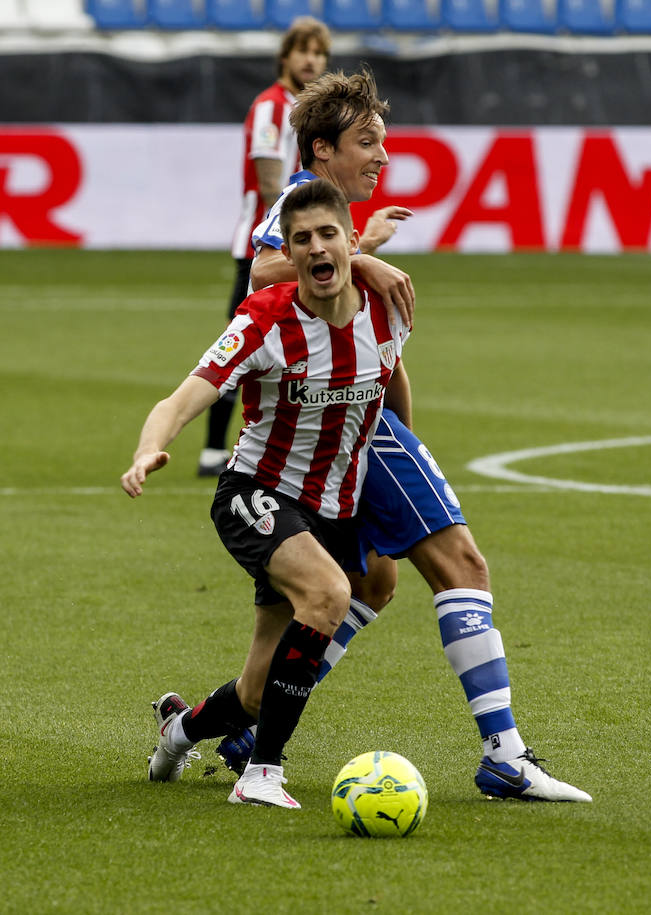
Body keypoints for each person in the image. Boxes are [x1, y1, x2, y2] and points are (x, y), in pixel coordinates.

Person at [213, 70, 590, 802]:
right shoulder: (301, 203)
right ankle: (504, 755)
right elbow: (262, 268)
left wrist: (409, 440)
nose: (382, 156)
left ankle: (219, 728)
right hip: (335, 429)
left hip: (358, 427)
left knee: (372, 585)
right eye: (367, 142)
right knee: (463, 563)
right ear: (322, 151)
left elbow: (388, 360)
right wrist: (362, 253)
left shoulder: (332, 222)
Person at [123, 178, 409, 809]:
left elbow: (391, 384)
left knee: (256, 692)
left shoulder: (387, 308)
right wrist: (149, 448)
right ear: (289, 251)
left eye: (328, 235)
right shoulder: (264, 319)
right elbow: (184, 396)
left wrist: (407, 457)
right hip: (257, 492)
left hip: (335, 508)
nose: (315, 249)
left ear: (352, 242)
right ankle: (262, 774)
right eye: (300, 239)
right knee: (330, 594)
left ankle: (181, 728)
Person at [198, 16, 331, 478]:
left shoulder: (302, 108)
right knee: (242, 342)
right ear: (285, 57)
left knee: (279, 346)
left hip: (288, 247)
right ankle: (215, 450)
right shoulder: (273, 107)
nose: (312, 60)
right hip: (264, 247)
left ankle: (262, 449)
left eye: (319, 53)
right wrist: (293, 225)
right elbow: (269, 175)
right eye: (304, 51)